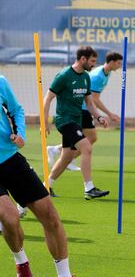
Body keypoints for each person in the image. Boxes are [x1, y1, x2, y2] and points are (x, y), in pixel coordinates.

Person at [0, 75, 89, 277]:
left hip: (11, 158)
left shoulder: (1, 81)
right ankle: (21, 262)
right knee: (10, 219)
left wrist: (20, 134)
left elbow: (17, 110)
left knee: (49, 214)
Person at [43, 46, 110, 199]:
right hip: (64, 120)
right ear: (82, 59)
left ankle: (46, 186)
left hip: (76, 120)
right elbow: (47, 97)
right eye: (92, 61)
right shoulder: (64, 76)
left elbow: (89, 101)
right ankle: (89, 189)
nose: (94, 64)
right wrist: (44, 121)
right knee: (87, 147)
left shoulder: (86, 77)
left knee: (67, 156)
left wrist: (98, 117)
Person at [47, 51, 123, 170]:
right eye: (118, 63)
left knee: (85, 138)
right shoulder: (98, 75)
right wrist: (108, 114)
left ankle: (58, 152)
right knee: (89, 139)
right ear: (112, 62)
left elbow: (92, 98)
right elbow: (93, 98)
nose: (120, 66)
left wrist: (99, 115)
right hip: (81, 109)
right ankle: (67, 158)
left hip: (84, 108)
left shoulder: (106, 74)